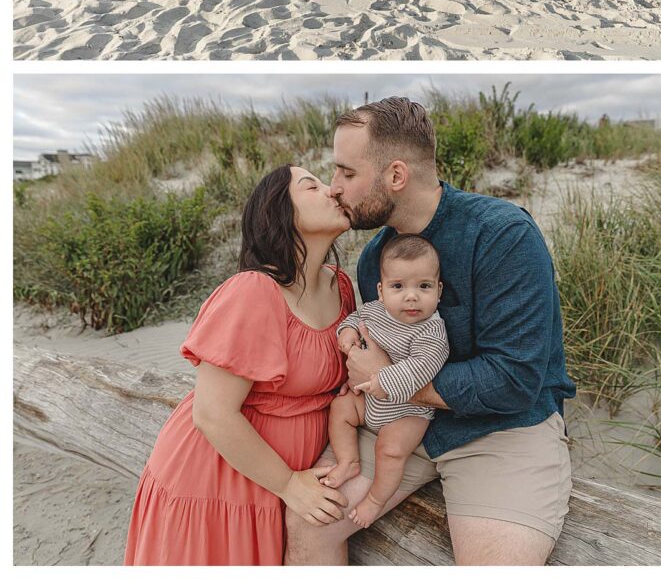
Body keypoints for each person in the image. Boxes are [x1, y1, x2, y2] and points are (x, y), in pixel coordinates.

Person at [284, 97, 576, 567]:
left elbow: (515, 380)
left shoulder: (502, 235)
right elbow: (377, 351)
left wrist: (392, 378)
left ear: (395, 176)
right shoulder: (374, 260)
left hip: (505, 429)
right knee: (307, 521)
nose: (335, 188)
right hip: (398, 421)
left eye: (347, 173)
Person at [124, 165, 354, 566]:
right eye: (311, 186)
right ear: (280, 213)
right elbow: (212, 414)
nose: (331, 190)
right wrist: (288, 485)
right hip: (219, 482)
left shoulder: (343, 287)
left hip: (283, 486)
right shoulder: (254, 291)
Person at [323, 233, 449, 529]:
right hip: (369, 401)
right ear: (381, 291)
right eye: (398, 286)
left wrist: (379, 379)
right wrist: (347, 333)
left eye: (424, 286)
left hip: (407, 412)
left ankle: (376, 500)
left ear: (439, 290)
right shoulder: (375, 311)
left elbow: (421, 368)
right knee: (340, 408)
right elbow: (355, 318)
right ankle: (348, 460)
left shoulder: (431, 331)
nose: (411, 296)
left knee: (390, 450)